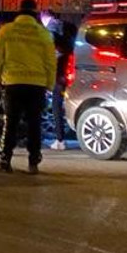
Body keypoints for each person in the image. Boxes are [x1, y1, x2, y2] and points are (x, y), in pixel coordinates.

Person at [0, 0, 57, 174]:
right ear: (35, 13)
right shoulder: (43, 34)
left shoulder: (7, 31)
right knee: (34, 124)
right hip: (37, 85)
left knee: (10, 122)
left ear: (19, 12)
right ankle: (33, 161)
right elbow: (51, 62)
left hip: (13, 83)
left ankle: (6, 159)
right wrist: (49, 84)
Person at [41, 9, 76, 151]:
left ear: (44, 18)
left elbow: (51, 50)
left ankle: (60, 140)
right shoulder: (68, 27)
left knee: (56, 106)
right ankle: (64, 136)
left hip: (57, 73)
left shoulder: (50, 30)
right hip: (69, 71)